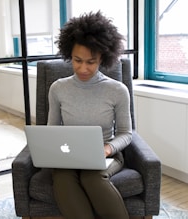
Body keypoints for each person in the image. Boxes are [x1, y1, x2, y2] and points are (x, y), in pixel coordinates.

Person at [47, 11, 133, 219]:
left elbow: (126, 133)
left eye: (91, 62)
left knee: (91, 178)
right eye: (77, 60)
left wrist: (107, 148)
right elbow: (52, 130)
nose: (83, 68)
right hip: (67, 156)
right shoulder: (58, 88)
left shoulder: (117, 90)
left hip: (106, 155)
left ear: (102, 57)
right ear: (69, 55)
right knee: (62, 177)